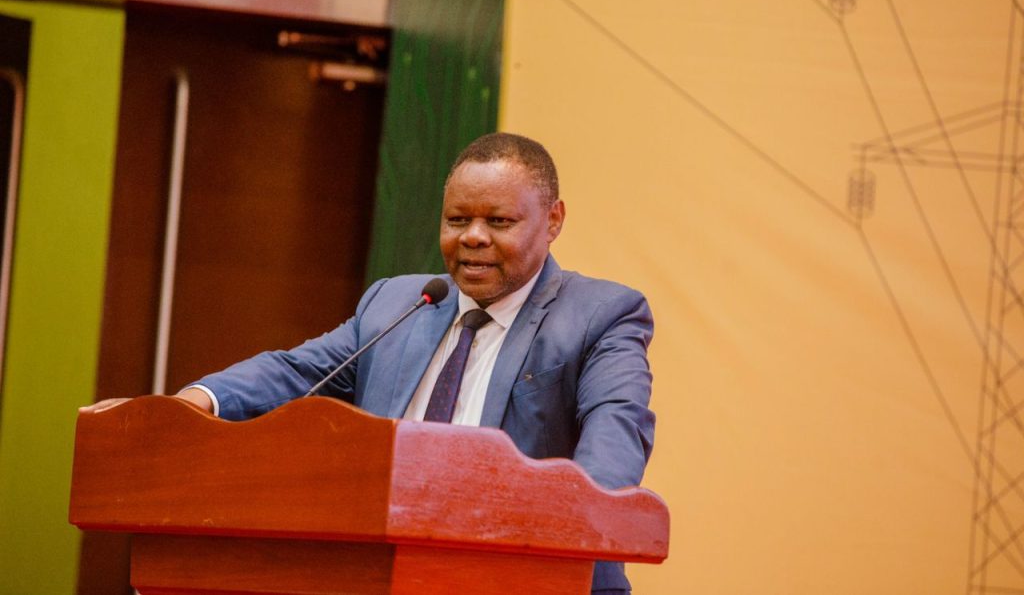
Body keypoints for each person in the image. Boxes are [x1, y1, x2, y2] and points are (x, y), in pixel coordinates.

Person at [84, 132, 655, 593]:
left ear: (552, 220)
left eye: (499, 222)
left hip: (537, 579)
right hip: (378, 575)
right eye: (458, 220)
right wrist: (191, 404)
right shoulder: (399, 302)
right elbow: (296, 372)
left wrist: (569, 515)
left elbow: (615, 438)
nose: (473, 238)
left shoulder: (600, 315)